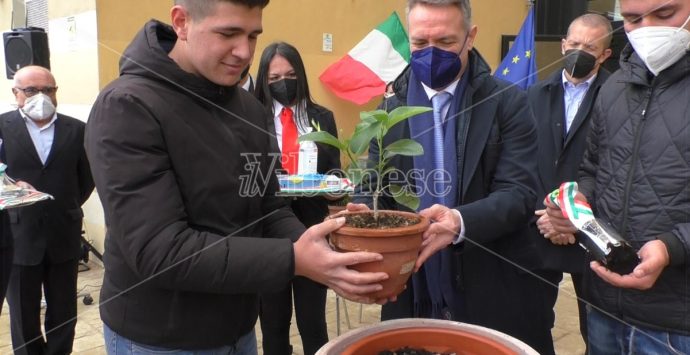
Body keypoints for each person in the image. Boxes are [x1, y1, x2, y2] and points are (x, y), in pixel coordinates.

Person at [85, 0, 389, 353]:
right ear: (181, 22)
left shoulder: (247, 109)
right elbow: (160, 249)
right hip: (161, 338)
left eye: (253, 35)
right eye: (228, 33)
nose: (244, 52)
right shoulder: (127, 107)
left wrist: (323, 245)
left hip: (239, 331)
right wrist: (294, 258)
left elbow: (270, 208)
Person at [350, 0, 552, 353]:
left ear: (469, 37)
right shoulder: (388, 112)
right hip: (412, 286)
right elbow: (374, 187)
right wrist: (365, 214)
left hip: (490, 286)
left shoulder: (507, 103)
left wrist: (458, 222)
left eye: (444, 42)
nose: (431, 53)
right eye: (420, 43)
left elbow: (519, 194)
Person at [546, 0, 690, 353]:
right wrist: (577, 203)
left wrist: (675, 246)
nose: (647, 29)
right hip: (604, 306)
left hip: (678, 322)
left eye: (665, 14)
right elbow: (594, 169)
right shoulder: (614, 87)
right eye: (632, 19)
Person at [527, 13, 612, 347]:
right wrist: (549, 217)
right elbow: (522, 161)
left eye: (589, 47)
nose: (579, 51)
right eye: (574, 43)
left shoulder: (617, 97)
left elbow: (613, 168)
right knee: (531, 321)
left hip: (592, 232)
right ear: (563, 44)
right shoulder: (534, 94)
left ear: (605, 54)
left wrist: (574, 220)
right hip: (540, 225)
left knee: (596, 330)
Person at [0, 65, 95, 354]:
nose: (40, 96)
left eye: (48, 90)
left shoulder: (77, 129)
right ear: (16, 93)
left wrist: (63, 206)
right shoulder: (2, 127)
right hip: (17, 236)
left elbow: (86, 179)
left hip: (62, 232)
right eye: (31, 90)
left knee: (64, 311)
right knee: (23, 315)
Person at [254, 41, 340, 355]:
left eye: (289, 75)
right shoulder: (252, 118)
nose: (283, 84)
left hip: (312, 231)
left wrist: (335, 185)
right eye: (274, 79)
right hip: (269, 239)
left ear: (300, 75)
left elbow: (335, 175)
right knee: (273, 325)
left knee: (313, 323)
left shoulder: (322, 117)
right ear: (264, 81)